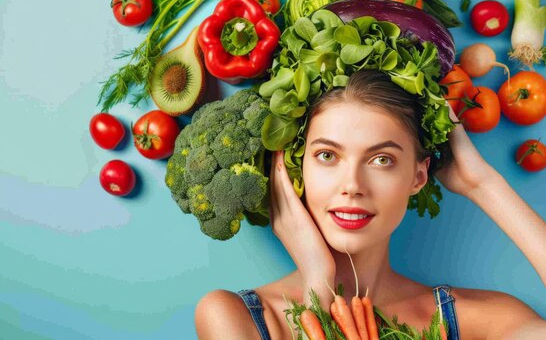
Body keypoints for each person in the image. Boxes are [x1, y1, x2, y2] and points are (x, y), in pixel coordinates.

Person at [194, 70, 546, 339]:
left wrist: (482, 184)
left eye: (382, 160)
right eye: (327, 155)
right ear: (296, 169)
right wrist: (317, 287)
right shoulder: (237, 318)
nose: (352, 186)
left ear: (418, 177)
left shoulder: (471, 319)